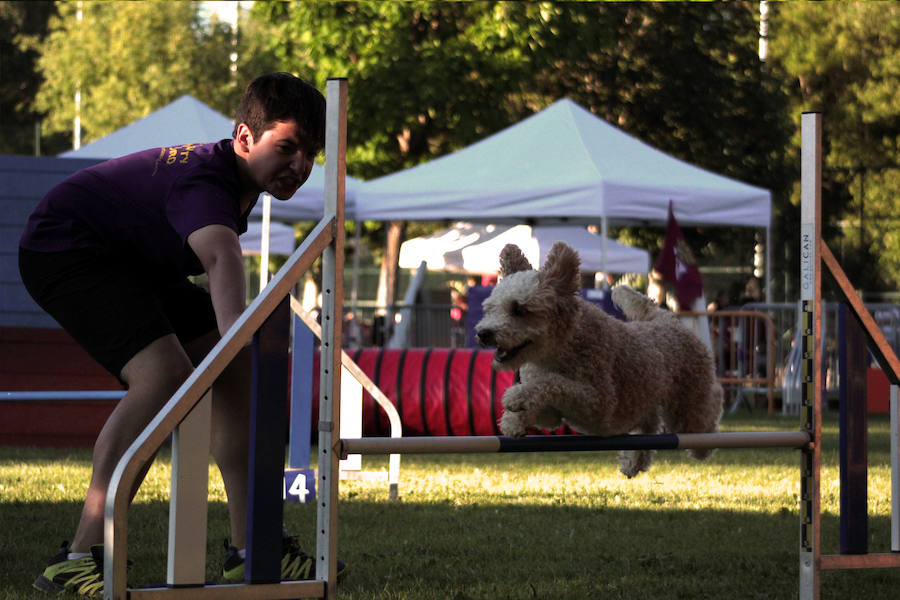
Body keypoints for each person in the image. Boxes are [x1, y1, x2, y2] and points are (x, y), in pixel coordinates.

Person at [20, 73, 342, 597]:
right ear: (244, 138)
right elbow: (219, 258)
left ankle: (251, 550)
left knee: (234, 365)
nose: (302, 166)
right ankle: (77, 557)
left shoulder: (241, 180)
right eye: (287, 147)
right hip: (65, 251)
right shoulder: (207, 182)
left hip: (131, 265)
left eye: (311, 153)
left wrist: (233, 346)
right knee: (165, 373)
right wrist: (237, 332)